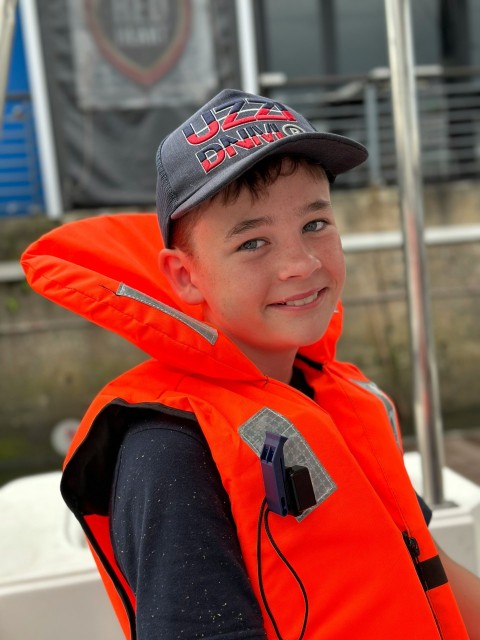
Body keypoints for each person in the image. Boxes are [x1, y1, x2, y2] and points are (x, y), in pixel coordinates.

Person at [21, 89, 480, 639]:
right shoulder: (168, 451)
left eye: (315, 224)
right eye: (253, 242)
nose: (301, 264)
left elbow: (427, 566)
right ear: (185, 276)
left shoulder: (334, 397)